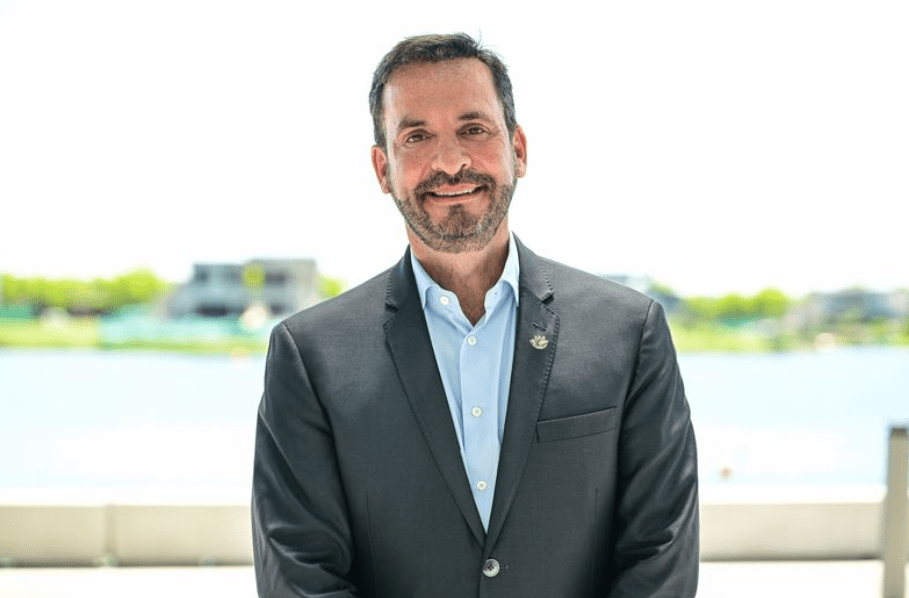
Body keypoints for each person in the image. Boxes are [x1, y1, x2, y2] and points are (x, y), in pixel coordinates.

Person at [252, 33, 698, 598]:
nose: (450, 162)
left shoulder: (629, 334)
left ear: (519, 149)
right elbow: (300, 570)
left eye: (474, 129)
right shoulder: (309, 356)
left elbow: (660, 551)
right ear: (383, 168)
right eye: (417, 136)